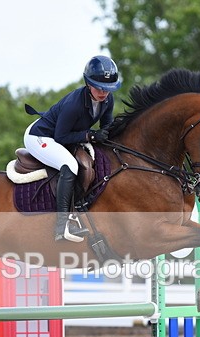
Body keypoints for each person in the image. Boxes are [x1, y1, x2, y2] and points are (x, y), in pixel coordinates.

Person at [23, 55, 122, 242]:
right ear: (88, 84)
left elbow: (106, 127)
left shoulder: (107, 100)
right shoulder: (74, 105)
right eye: (100, 88)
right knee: (70, 165)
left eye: (108, 89)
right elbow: (60, 137)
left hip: (64, 134)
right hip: (41, 136)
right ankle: (62, 225)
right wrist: (90, 135)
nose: (104, 93)